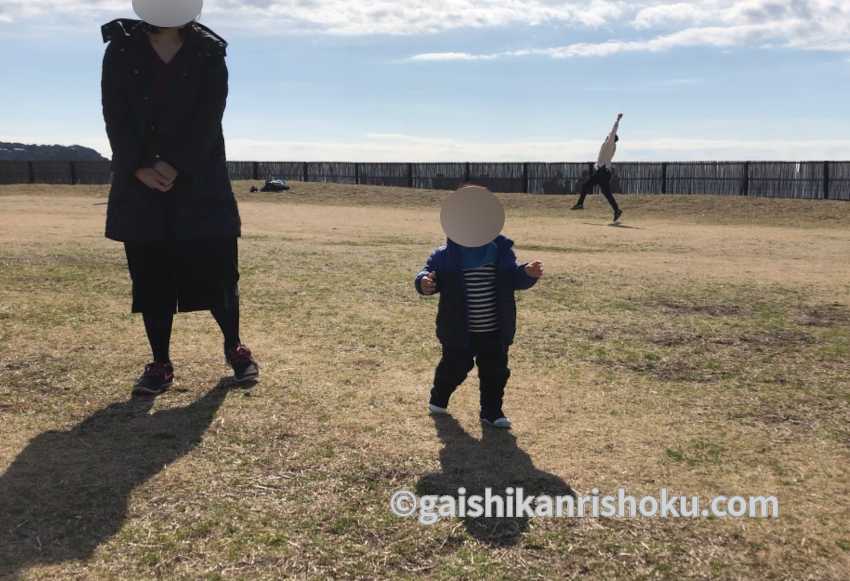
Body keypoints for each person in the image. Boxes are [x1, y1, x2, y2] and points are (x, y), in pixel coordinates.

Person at [101, 0, 259, 396]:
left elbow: (210, 116)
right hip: (139, 182)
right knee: (150, 274)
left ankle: (235, 347)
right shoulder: (120, 47)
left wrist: (175, 165)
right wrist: (137, 165)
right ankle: (160, 362)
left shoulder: (209, 50)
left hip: (200, 178)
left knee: (220, 272)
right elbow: (114, 113)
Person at [415, 186, 544, 429]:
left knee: (495, 372)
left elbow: (513, 278)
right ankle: (439, 397)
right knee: (455, 366)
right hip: (458, 330)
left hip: (495, 329)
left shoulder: (501, 253)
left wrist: (527, 273)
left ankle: (492, 411)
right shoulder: (445, 256)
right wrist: (424, 282)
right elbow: (428, 274)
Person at [572, 113, 624, 223]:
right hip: (602, 172)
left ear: (612, 138)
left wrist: (617, 119)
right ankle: (616, 210)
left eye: (610, 136)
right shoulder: (609, 146)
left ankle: (580, 204)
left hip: (603, 173)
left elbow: (613, 130)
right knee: (604, 192)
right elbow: (601, 160)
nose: (608, 135)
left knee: (588, 186)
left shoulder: (610, 144)